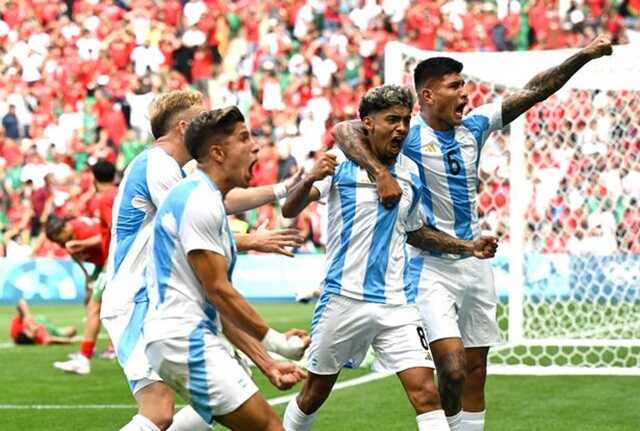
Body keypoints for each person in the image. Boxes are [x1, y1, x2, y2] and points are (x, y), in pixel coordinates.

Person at [332, 36, 613, 431]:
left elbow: (535, 90)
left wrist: (582, 55)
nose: (465, 93)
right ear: (427, 95)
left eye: (464, 85)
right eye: (455, 86)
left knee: (476, 370)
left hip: (475, 264)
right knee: (451, 368)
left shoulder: (474, 127)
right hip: (429, 267)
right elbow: (343, 129)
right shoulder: (408, 136)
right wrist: (379, 173)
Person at [281, 85, 497, 431]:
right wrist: (308, 177)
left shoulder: (411, 172)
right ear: (367, 123)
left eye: (405, 121)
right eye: (391, 120)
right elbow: (289, 207)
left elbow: (416, 231)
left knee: (426, 394)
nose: (400, 128)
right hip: (343, 299)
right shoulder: (340, 165)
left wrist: (466, 246)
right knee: (314, 393)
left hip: (396, 304)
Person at [101, 90, 308, 431]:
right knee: (158, 411)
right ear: (184, 127)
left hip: (161, 300)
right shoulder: (159, 166)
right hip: (138, 299)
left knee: (232, 379)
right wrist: (252, 238)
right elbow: (197, 224)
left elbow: (218, 204)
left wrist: (287, 188)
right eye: (202, 118)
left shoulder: (186, 180)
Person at [52, 160, 118, 374]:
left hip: (112, 260)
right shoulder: (118, 192)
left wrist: (107, 259)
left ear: (94, 178)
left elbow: (112, 228)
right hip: (112, 261)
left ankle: (86, 357)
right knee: (99, 305)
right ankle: (97, 352)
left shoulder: (105, 199)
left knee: (95, 307)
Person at [10, 299, 76, 345]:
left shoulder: (18, 325)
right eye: (33, 333)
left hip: (41, 321)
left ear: (24, 331)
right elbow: (65, 340)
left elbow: (22, 301)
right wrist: (59, 339)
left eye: (29, 330)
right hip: (52, 331)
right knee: (72, 330)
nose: (34, 329)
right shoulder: (40, 338)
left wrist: (27, 315)